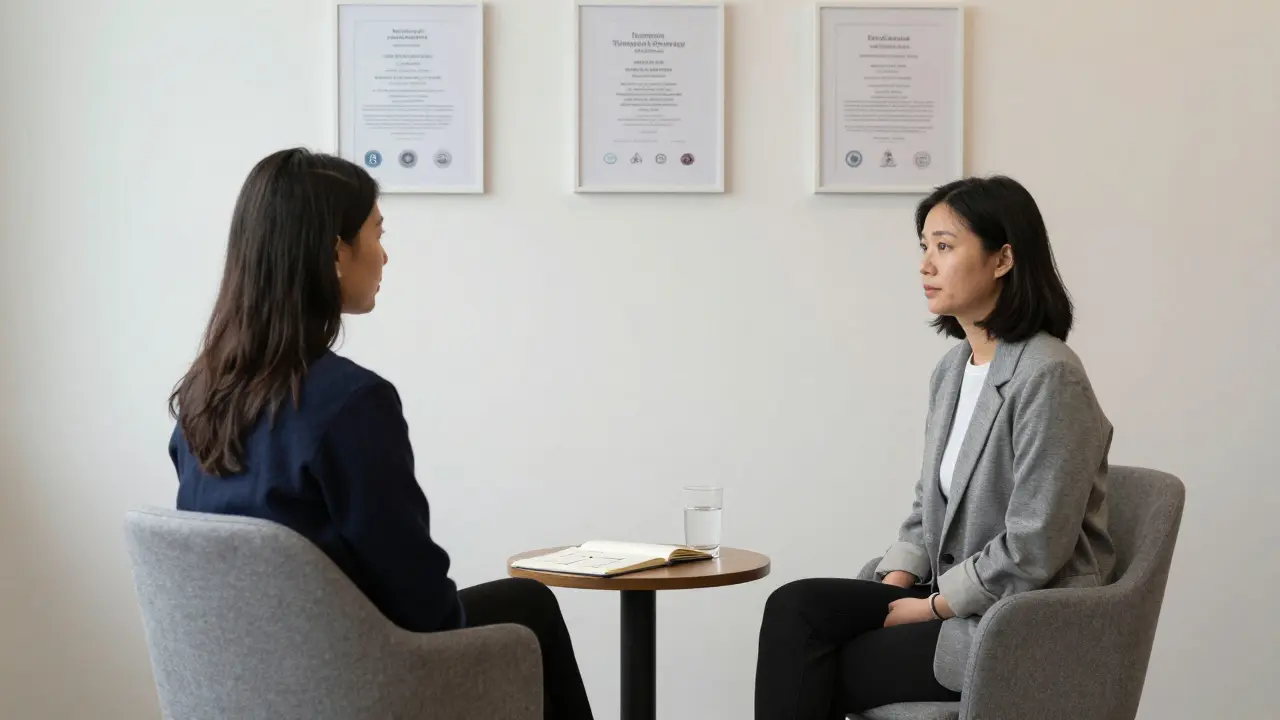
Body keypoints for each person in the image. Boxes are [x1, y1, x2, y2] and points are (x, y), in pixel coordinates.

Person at [167, 147, 595, 720]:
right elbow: (417, 597)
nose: (385, 254)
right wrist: (462, 657)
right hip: (354, 685)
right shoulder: (350, 404)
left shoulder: (202, 396)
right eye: (375, 231)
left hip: (253, 688)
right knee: (530, 611)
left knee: (520, 601)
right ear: (334, 252)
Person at [754, 175, 1115, 718]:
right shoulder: (953, 370)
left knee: (821, 661)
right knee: (796, 607)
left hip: (1018, 620)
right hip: (949, 597)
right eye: (924, 247)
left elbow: (1036, 545)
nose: (925, 265)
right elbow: (929, 507)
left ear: (1002, 260)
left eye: (944, 247)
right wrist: (895, 584)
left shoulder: (1049, 376)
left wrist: (931, 607)